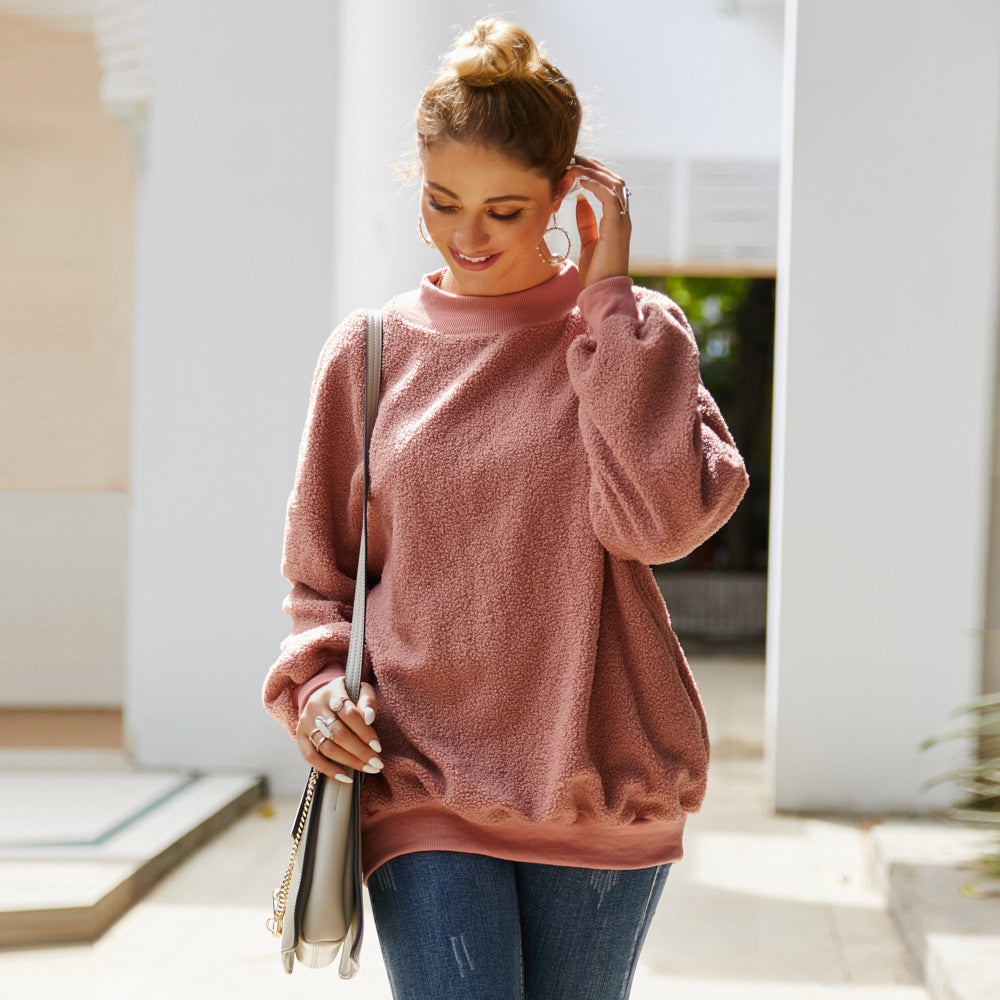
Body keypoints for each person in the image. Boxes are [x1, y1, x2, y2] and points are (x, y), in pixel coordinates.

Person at [263, 17, 748, 1000]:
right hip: (422, 769)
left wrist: (607, 303)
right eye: (443, 203)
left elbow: (658, 524)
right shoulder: (369, 354)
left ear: (567, 196)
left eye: (503, 209)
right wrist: (316, 691)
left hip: (597, 776)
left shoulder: (634, 338)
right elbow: (321, 576)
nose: (466, 236)